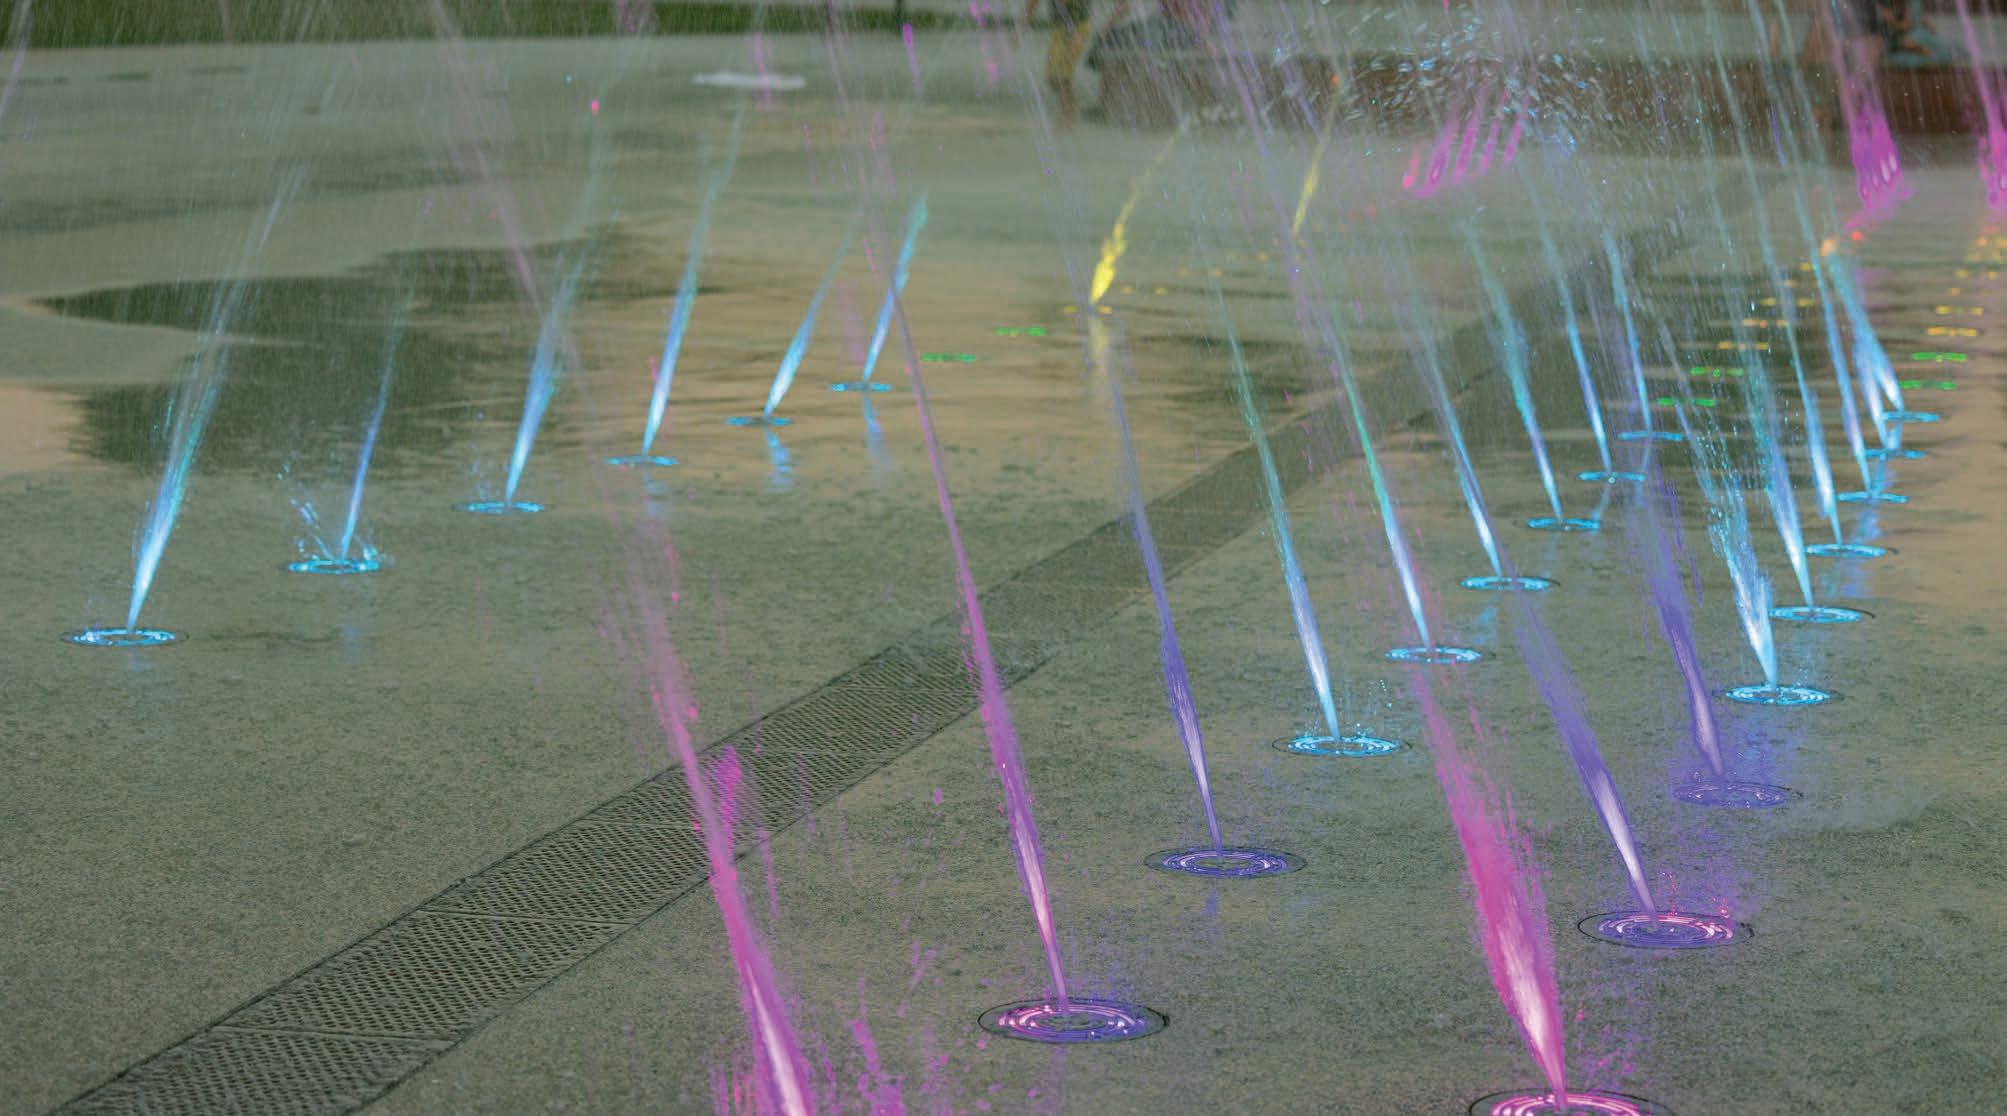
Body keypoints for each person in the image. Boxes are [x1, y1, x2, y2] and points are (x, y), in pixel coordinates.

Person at [1023, 0, 1096, 126]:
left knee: (1062, 75)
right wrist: (1020, 28)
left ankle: (1067, 114)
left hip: (1080, 28)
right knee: (1051, 78)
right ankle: (1072, 108)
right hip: (1059, 30)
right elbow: (1032, 4)